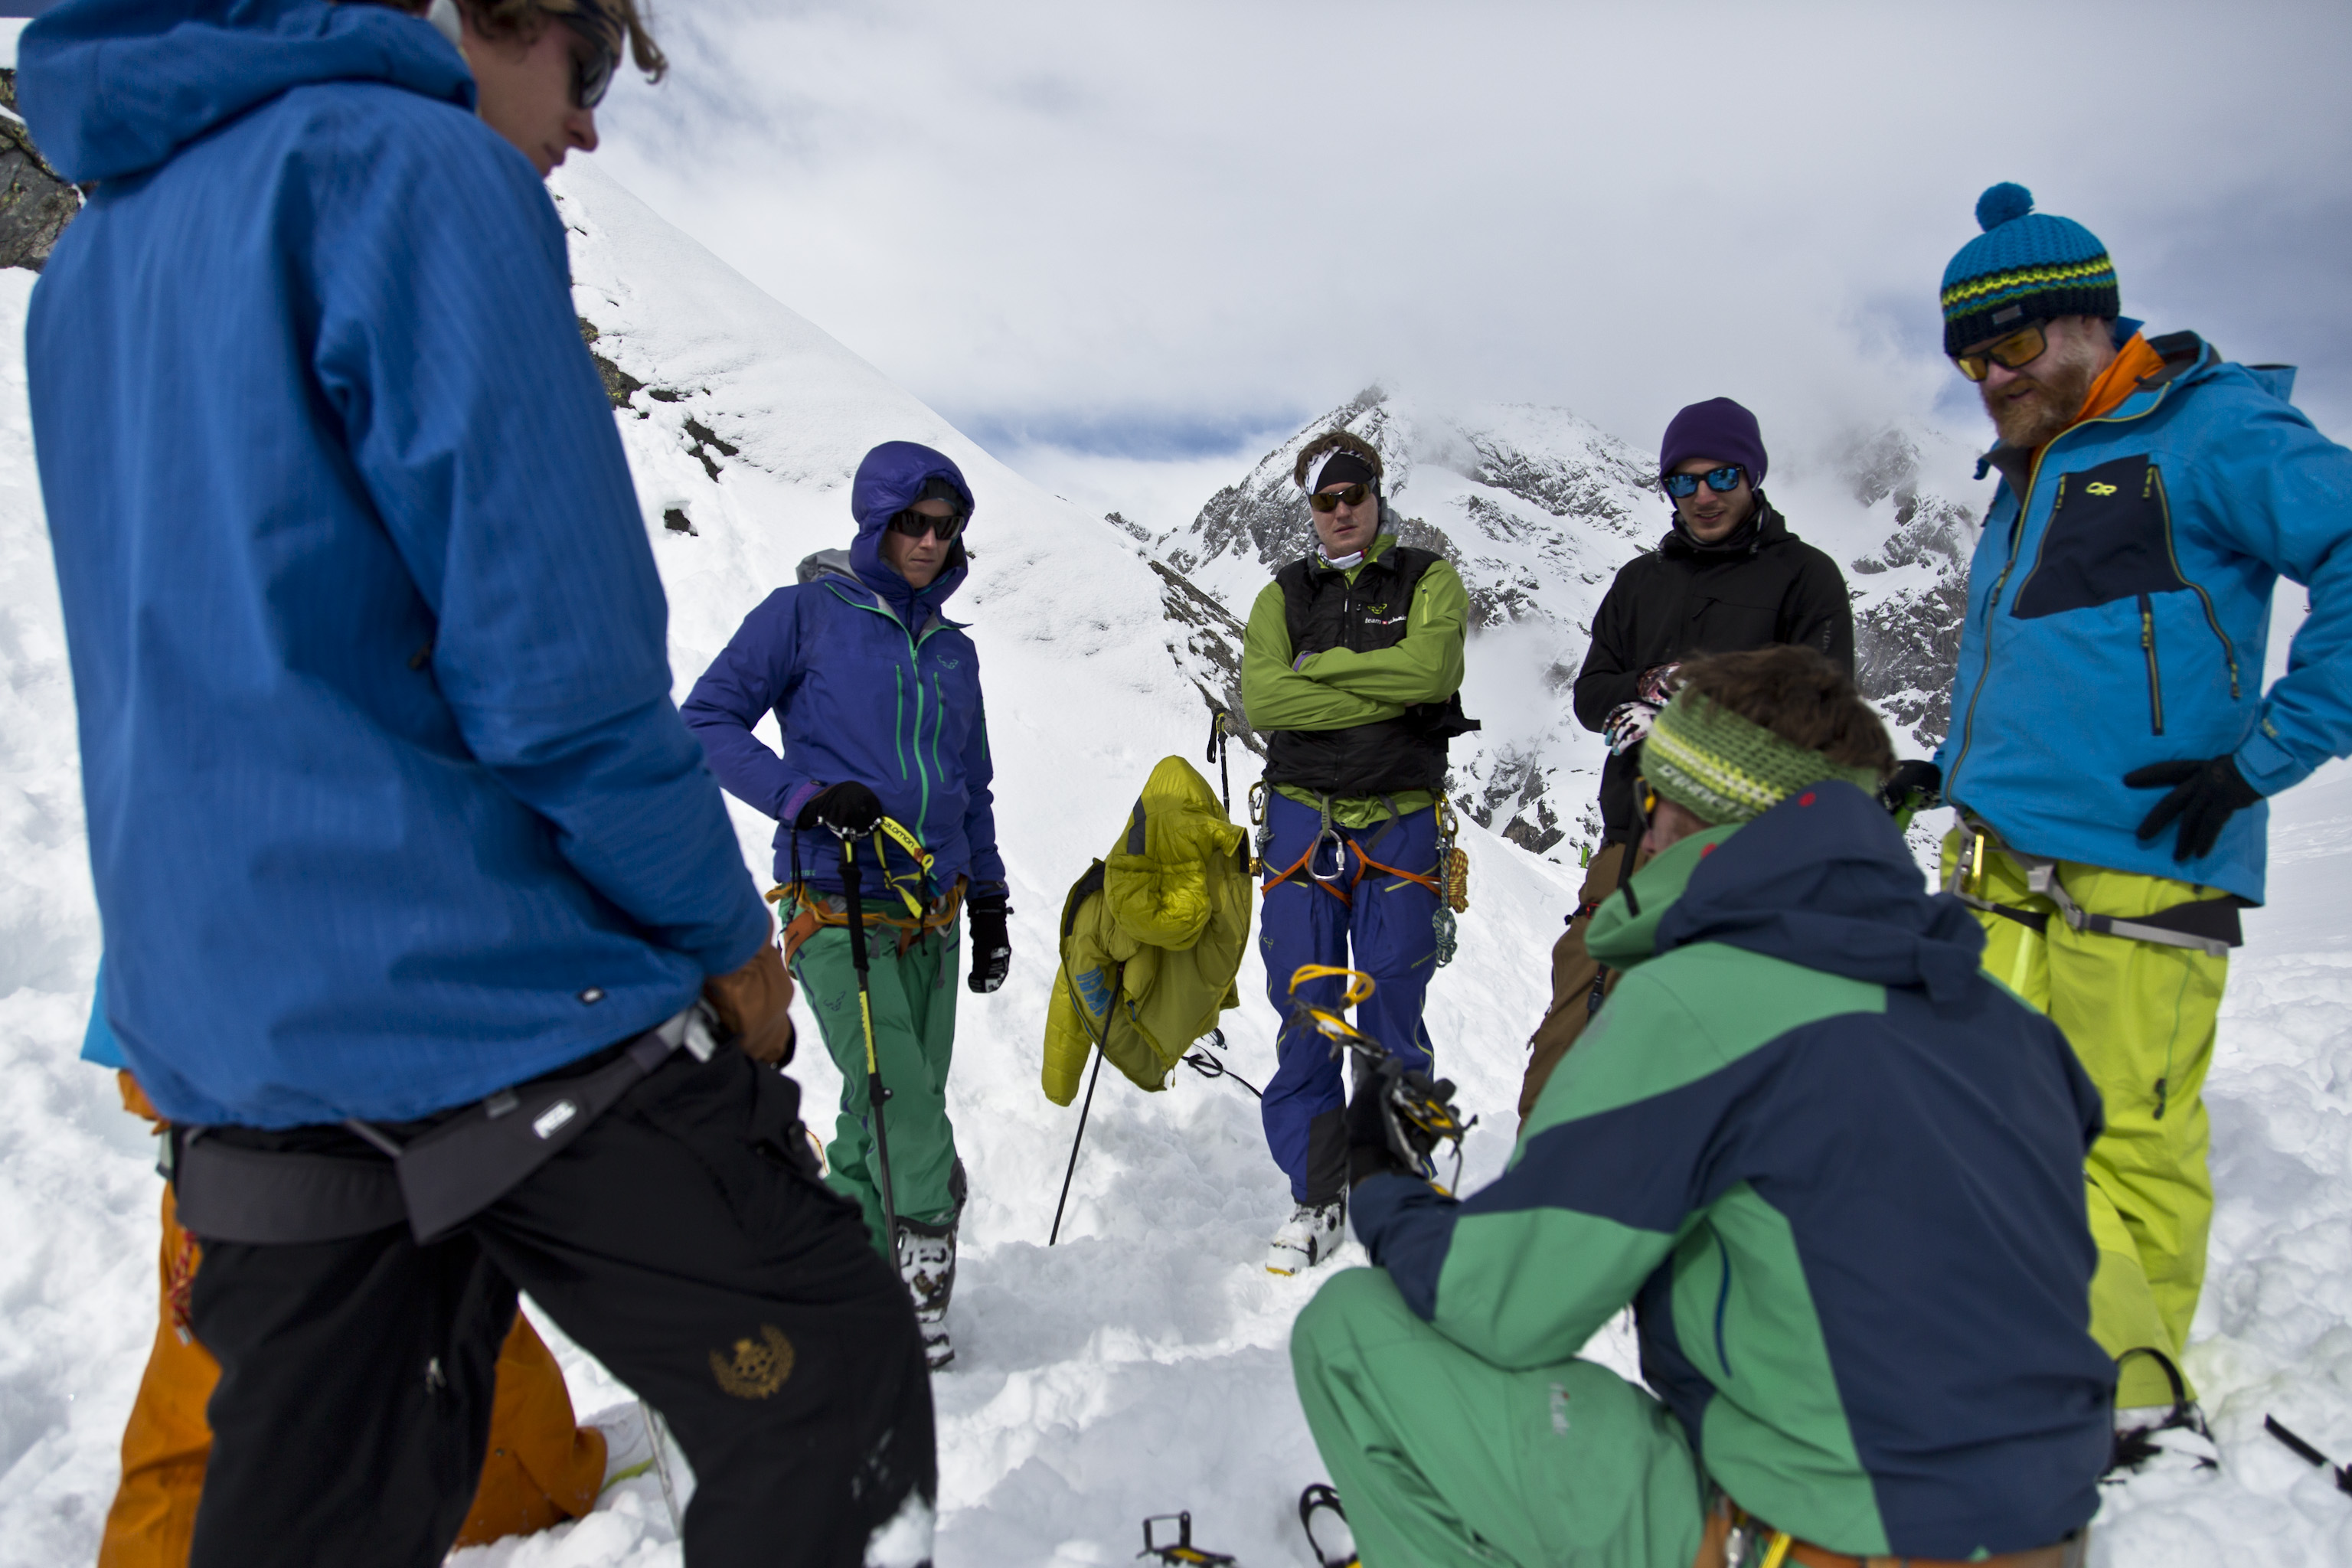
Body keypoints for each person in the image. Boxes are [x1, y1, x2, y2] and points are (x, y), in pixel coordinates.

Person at [21, 1, 934, 1563]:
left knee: (315, 1511)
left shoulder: (93, 264)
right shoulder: (411, 171)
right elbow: (563, 682)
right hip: (482, 994)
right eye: (582, 65)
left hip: (238, 1041)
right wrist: (734, 956)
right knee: (830, 1384)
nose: (585, 125)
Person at [1291, 645, 2112, 1568]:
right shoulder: (2009, 1025)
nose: (1639, 835)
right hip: (2049, 1536)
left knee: (1350, 1330)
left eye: (1652, 802)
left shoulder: (1701, 999)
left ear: (1696, 817)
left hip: (1819, 1542)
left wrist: (1382, 1183)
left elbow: (1504, 1305)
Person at [1932, 181, 2352, 1442]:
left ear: (2086, 320)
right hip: (2000, 858)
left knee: (2121, 1138)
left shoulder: (2211, 430)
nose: (1991, 375)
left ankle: (2127, 1402)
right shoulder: (2030, 469)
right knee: (1991, 1115)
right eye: (1969, 354)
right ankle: (2018, 1342)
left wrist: (2268, 751)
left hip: (2146, 864)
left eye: (2011, 341)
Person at [683, 439, 1010, 1373]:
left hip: (934, 910)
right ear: (876, 519)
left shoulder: (956, 652)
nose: (929, 541)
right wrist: (807, 797)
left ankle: (848, 1274)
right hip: (836, 904)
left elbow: (971, 786)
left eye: (946, 528)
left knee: (883, 1108)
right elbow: (706, 722)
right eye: (913, 521)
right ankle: (921, 1278)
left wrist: (989, 899)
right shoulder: (804, 615)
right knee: (899, 1100)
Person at [1518, 399, 1852, 1124]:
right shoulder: (1640, 583)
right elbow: (1591, 692)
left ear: (1752, 476)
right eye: (1683, 481)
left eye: (1721, 476)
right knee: (1568, 1044)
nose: (1703, 496)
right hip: (1629, 850)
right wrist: (1643, 689)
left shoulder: (1805, 580)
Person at [1237, 430, 1476, 1274]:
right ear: (1312, 509)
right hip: (1305, 819)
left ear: (1377, 498)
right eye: (1326, 501)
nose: (1341, 511)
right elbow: (1263, 694)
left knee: (1390, 1005)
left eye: (1355, 495)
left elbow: (1433, 670)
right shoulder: (1283, 594)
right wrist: (1370, 684)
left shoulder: (1427, 578)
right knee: (1306, 1005)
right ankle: (1320, 1189)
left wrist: (1322, 675)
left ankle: (1395, 1180)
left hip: (1400, 817)